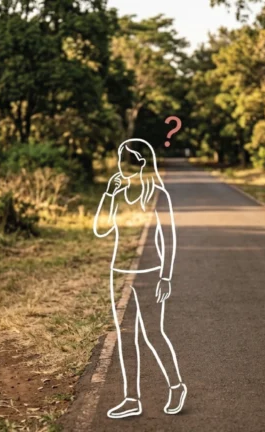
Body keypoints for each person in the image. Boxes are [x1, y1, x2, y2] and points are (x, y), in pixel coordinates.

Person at [93, 138, 187, 419]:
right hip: (120, 271)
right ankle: (131, 398)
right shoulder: (119, 194)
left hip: (150, 273)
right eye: (121, 160)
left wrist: (166, 276)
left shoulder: (159, 194)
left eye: (129, 159)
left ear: (141, 162)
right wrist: (108, 194)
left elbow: (167, 239)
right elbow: (101, 229)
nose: (124, 166)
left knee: (152, 334)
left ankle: (176, 386)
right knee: (126, 338)